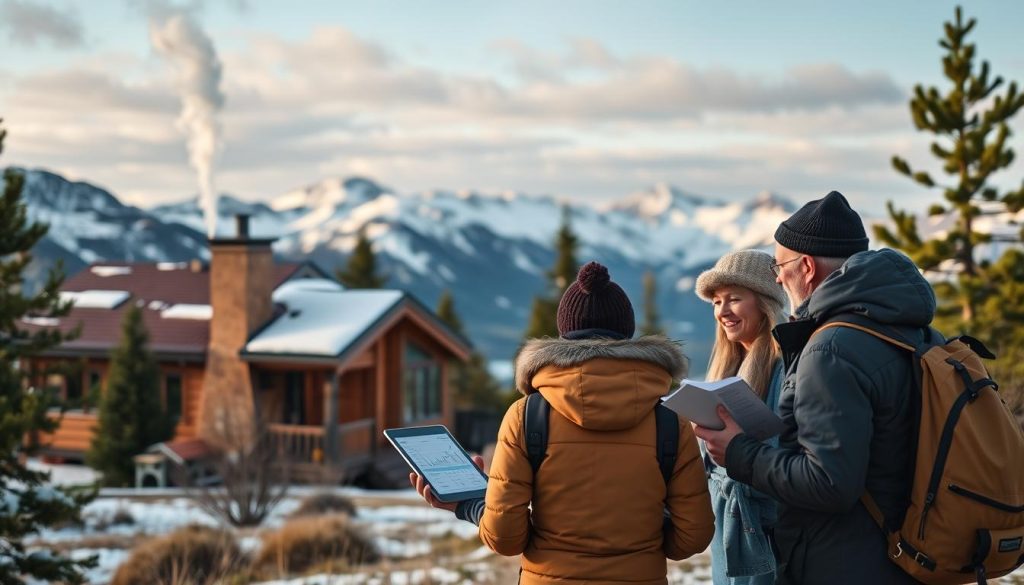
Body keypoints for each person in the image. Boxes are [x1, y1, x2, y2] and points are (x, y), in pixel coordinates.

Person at [411, 261, 714, 585]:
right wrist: (643, 529)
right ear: (626, 334)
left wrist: (469, 504)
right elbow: (692, 537)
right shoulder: (670, 422)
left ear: (564, 333)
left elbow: (505, 538)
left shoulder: (526, 416)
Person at [694, 190, 931, 584]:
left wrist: (738, 451)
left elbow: (829, 483)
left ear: (805, 267)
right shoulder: (911, 331)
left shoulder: (831, 349)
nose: (777, 276)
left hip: (844, 562)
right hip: (902, 555)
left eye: (779, 265)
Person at [694, 249, 787, 584]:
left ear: (764, 302)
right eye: (717, 302)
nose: (723, 311)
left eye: (734, 299)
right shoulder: (725, 366)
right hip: (726, 525)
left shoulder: (785, 366)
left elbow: (785, 454)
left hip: (765, 530)